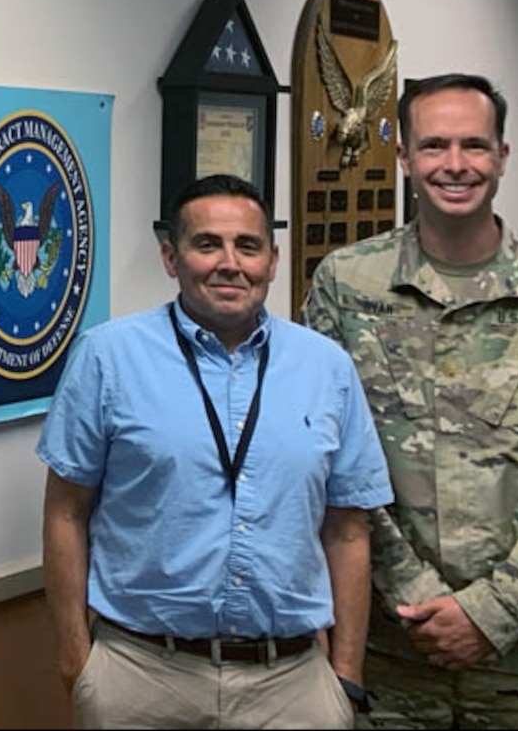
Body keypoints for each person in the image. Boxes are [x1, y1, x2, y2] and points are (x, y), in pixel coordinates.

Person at [302, 73, 518, 728]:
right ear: (404, 158)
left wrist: (492, 613)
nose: (454, 165)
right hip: (392, 654)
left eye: (474, 146)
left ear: (503, 156)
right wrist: (418, 598)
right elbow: (325, 461)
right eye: (435, 145)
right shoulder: (346, 285)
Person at [38, 174, 391, 729]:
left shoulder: (328, 369)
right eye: (207, 244)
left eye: (247, 246)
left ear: (272, 260)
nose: (230, 263)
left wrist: (345, 675)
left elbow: (348, 529)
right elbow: (65, 511)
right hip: (140, 675)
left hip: (292, 683)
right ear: (170, 256)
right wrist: (76, 663)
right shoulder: (107, 358)